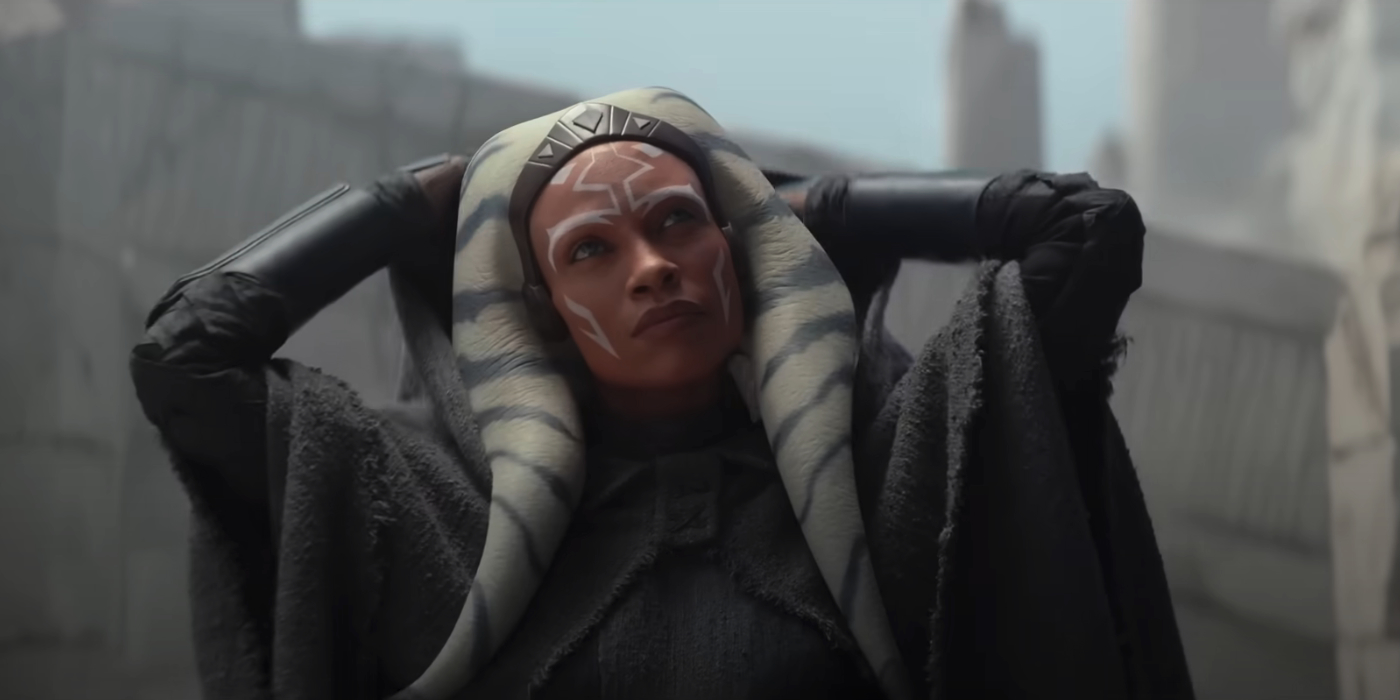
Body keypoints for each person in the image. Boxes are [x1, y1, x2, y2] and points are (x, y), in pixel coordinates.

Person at [130, 87, 1193, 700]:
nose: (650, 268)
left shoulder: (885, 470)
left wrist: (823, 208)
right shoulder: (426, 507)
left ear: (739, 249)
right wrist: (392, 209)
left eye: (678, 221)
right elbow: (186, 360)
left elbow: (1083, 232)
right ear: (541, 309)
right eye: (590, 249)